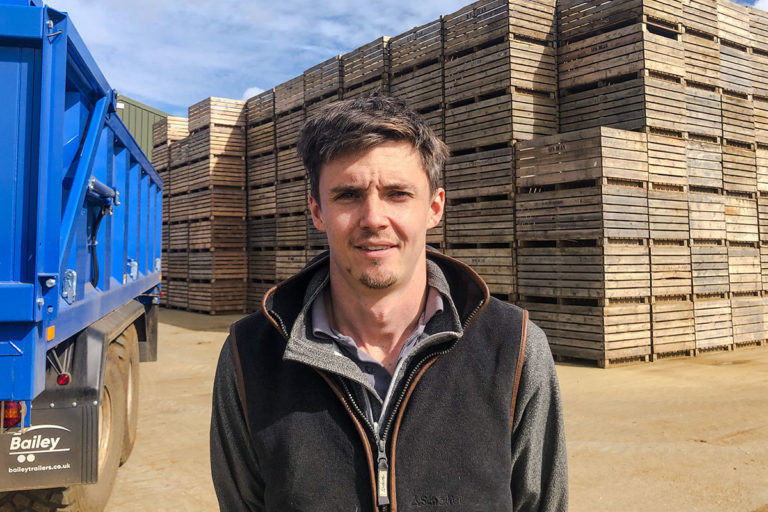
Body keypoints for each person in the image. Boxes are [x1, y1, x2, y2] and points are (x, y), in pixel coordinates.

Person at [210, 96, 568, 511]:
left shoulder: (514, 349)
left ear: (434, 208)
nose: (374, 218)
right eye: (348, 195)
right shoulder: (250, 355)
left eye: (397, 194)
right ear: (317, 211)